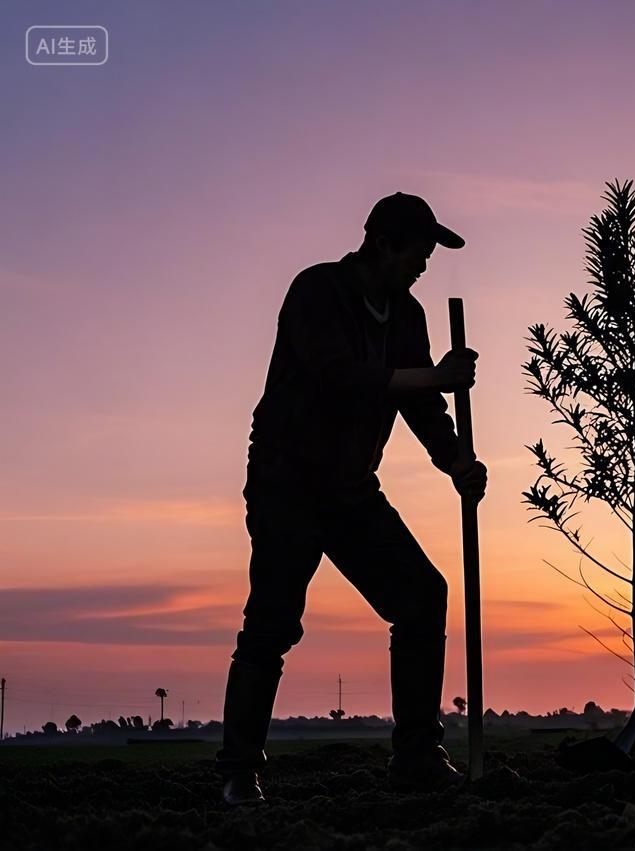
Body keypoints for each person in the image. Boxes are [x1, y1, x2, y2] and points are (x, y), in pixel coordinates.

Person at [215, 192, 488, 805]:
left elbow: (420, 405)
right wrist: (435, 376)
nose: (423, 264)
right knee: (273, 622)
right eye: (419, 251)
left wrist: (458, 463)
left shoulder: (409, 318)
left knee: (421, 597)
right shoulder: (317, 291)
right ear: (383, 244)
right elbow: (337, 377)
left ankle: (417, 756)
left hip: (349, 488)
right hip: (287, 481)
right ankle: (238, 772)